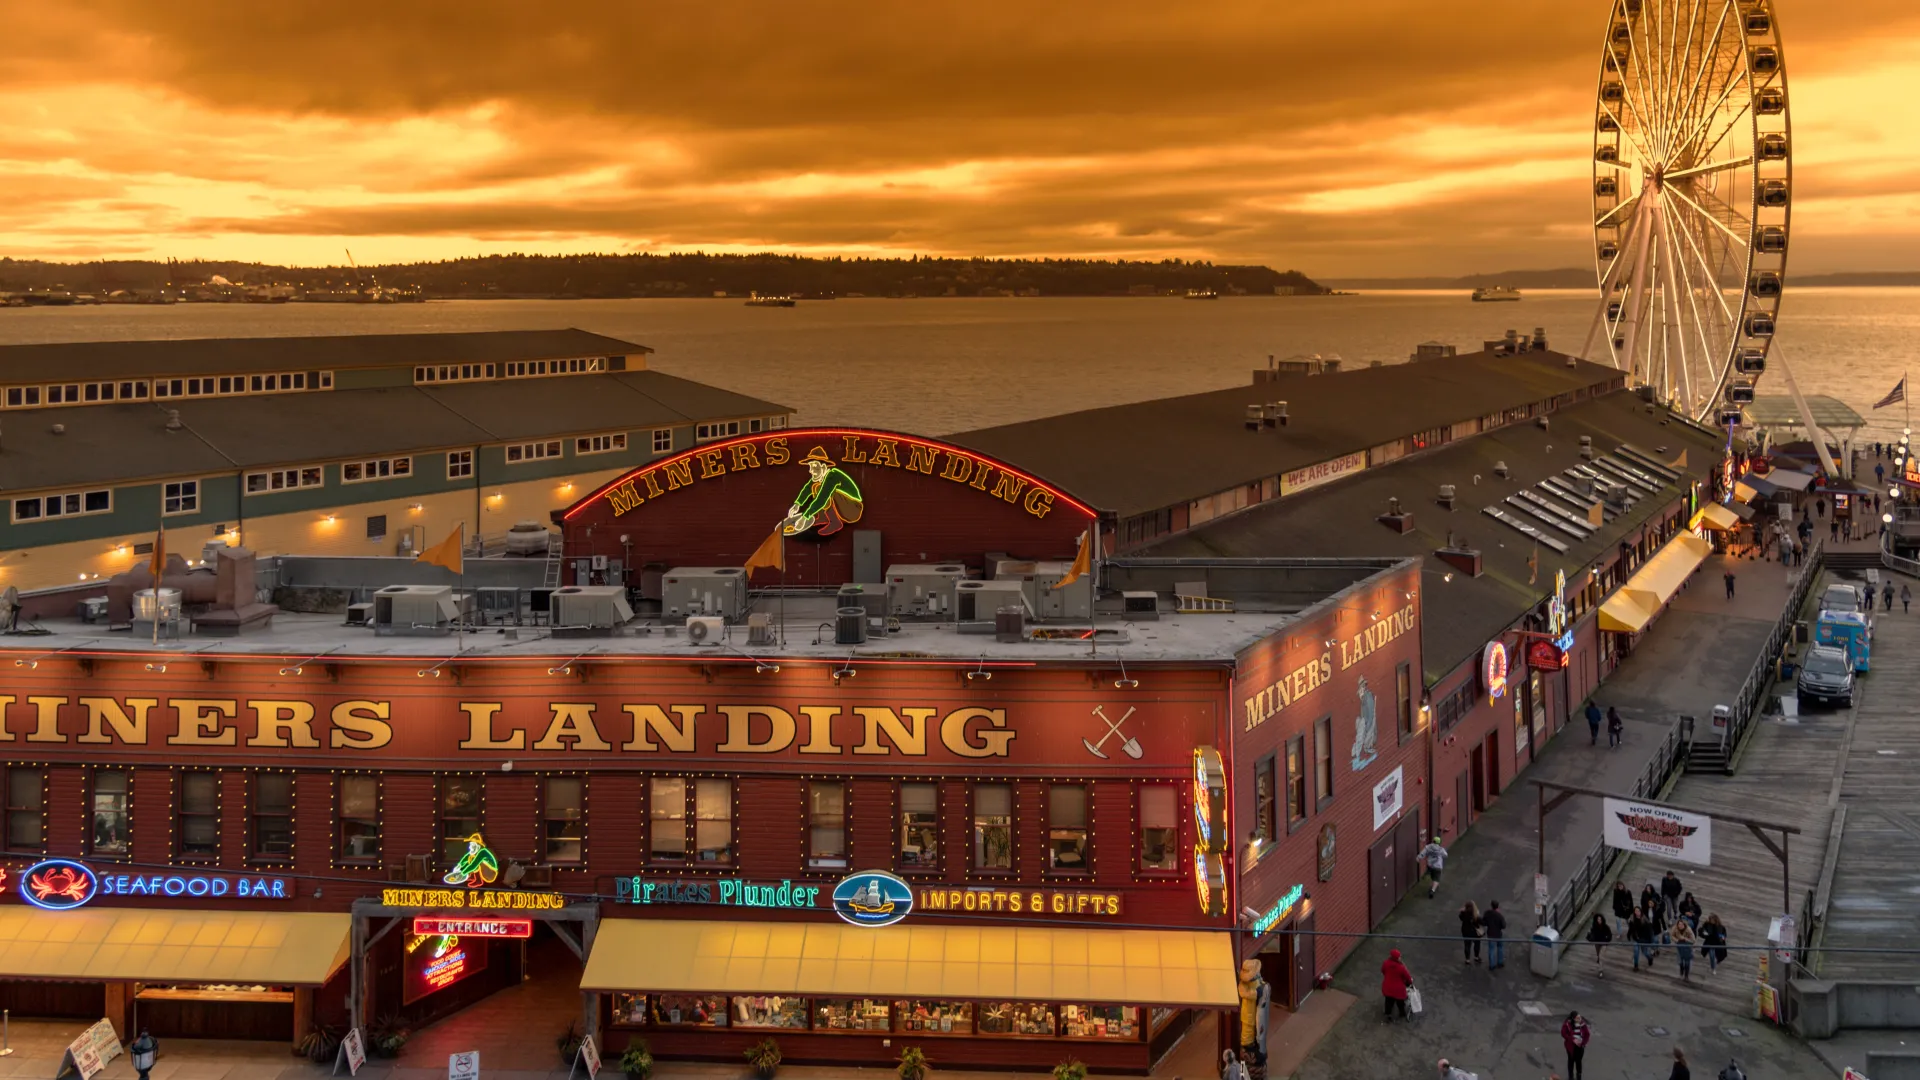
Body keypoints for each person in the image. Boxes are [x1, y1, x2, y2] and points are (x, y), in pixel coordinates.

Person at [1381, 948, 1414, 1023]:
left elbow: (1383, 970)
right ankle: (1402, 1013)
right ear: (1396, 958)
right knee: (1400, 1002)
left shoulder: (1386, 963)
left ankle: (1388, 1014)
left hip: (1388, 987)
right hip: (1398, 990)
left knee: (1388, 1001)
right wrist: (1410, 982)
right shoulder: (1401, 967)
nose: (1400, 958)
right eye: (1399, 956)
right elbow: (1407, 977)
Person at [1561, 1012, 1592, 1080]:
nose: (1579, 1019)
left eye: (1579, 1017)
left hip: (1580, 1047)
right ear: (1573, 1019)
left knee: (1578, 1062)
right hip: (1570, 1047)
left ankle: (1579, 1077)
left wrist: (1583, 1043)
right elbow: (1563, 1033)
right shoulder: (1567, 1024)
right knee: (1571, 1061)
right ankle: (1571, 1077)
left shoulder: (1582, 1024)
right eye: (1577, 1018)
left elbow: (1587, 1034)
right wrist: (1573, 1039)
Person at [1481, 901, 1508, 970]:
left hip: (1490, 934)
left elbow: (1483, 922)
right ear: (1498, 906)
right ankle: (1500, 962)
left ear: (1491, 906)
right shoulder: (1499, 915)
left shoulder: (1487, 913)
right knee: (1500, 947)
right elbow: (1503, 926)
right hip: (1498, 934)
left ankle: (1492, 965)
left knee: (1491, 949)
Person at [1672, 918, 1698, 982]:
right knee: (1680, 961)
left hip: (1687, 947)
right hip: (1679, 946)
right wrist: (1677, 940)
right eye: (1679, 924)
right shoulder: (1675, 928)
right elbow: (1672, 936)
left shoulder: (1688, 930)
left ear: (1684, 925)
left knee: (1687, 962)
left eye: (1681, 924)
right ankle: (1681, 969)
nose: (1680, 926)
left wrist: (1685, 939)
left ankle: (1686, 976)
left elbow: (1693, 940)